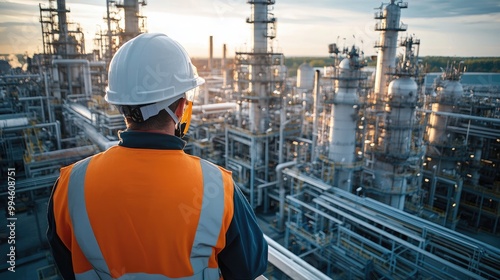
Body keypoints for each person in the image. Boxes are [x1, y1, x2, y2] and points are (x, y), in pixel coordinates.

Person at [47, 33, 268, 279]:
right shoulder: (218, 188)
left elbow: (66, 265)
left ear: (120, 106)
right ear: (181, 107)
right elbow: (250, 267)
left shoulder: (69, 186)